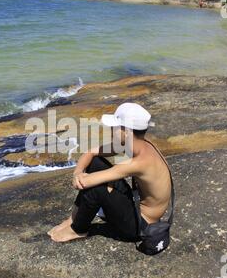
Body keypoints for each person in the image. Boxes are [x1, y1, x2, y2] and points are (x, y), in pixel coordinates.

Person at [48, 103, 172, 243]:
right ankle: (74, 218)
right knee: (95, 162)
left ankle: (78, 230)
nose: (111, 130)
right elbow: (92, 152)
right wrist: (78, 172)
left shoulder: (140, 162)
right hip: (136, 203)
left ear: (125, 132)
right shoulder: (140, 143)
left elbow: (85, 183)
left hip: (141, 224)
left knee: (97, 189)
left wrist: (79, 179)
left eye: (114, 127)